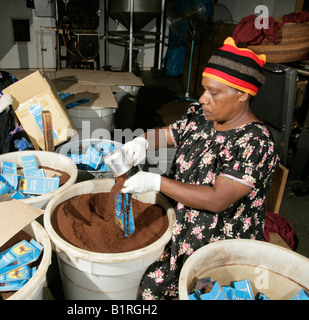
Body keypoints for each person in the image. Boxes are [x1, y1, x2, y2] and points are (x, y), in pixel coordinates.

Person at [121, 37, 280, 300]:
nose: (203, 98)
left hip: (216, 242)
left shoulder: (255, 142)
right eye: (204, 89)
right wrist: (141, 141)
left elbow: (217, 199)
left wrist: (156, 183)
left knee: (160, 291)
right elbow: (170, 133)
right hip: (179, 219)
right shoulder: (202, 116)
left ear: (242, 94)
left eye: (214, 93)